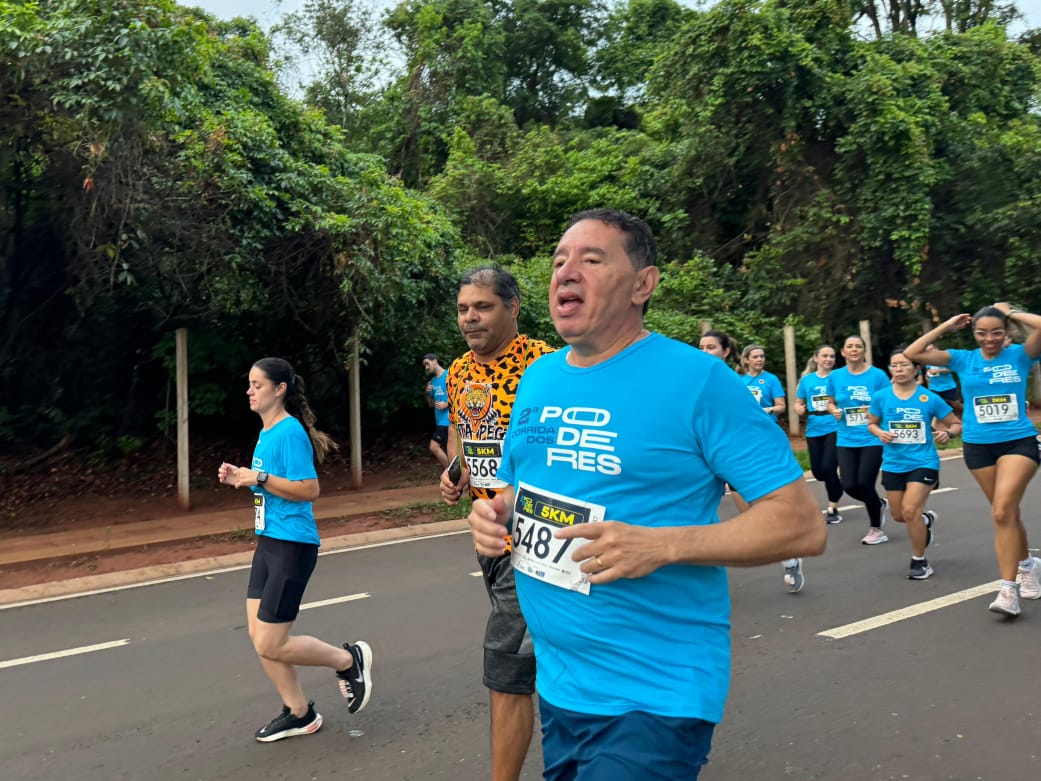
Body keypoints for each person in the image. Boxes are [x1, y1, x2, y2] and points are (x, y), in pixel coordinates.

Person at [467, 209, 824, 779]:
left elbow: (801, 523)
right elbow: (516, 488)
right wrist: (492, 514)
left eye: (591, 259)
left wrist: (663, 546)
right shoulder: (540, 377)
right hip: (562, 684)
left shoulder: (698, 381)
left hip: (654, 691)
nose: (566, 272)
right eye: (560, 260)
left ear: (643, 284)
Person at [439, 266, 555, 781]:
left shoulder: (546, 366)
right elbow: (467, 434)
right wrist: (456, 471)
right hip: (485, 531)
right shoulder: (458, 372)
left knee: (506, 660)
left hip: (535, 533)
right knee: (545, 649)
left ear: (512, 307)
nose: (470, 318)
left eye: (482, 307)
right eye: (464, 308)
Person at [218, 357, 373, 742]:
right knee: (260, 639)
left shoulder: (288, 432)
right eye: (249, 384)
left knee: (272, 641)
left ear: (279, 388)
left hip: (292, 546)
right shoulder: (267, 432)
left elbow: (309, 489)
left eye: (257, 384)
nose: (249, 391)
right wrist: (243, 478)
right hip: (268, 543)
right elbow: (270, 485)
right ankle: (300, 713)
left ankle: (347, 660)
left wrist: (261, 477)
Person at [905, 305, 1041, 616]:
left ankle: (1008, 591)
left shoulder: (1020, 355)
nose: (989, 339)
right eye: (982, 333)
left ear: (1006, 333)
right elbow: (914, 353)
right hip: (978, 446)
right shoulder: (963, 359)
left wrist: (1015, 312)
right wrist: (946, 325)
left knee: (1002, 510)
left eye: (996, 332)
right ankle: (1027, 564)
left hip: (1018, 441)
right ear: (973, 334)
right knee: (1004, 514)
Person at [701, 330, 806, 593]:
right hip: (706, 453)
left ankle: (789, 555)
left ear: (725, 352)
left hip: (739, 452)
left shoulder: (733, 382)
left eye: (711, 347)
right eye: (701, 347)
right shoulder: (697, 378)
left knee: (756, 516)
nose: (704, 352)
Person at [867, 347, 961, 580]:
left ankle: (919, 561)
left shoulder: (928, 397)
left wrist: (947, 434)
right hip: (893, 463)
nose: (898, 369)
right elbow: (871, 423)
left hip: (924, 461)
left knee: (910, 510)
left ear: (916, 368)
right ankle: (926, 520)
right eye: (894, 365)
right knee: (900, 515)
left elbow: (956, 423)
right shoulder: (881, 396)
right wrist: (879, 432)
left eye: (904, 364)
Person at [826, 335, 891, 545]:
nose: (854, 349)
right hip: (845, 438)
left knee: (864, 482)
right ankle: (878, 504)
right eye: (849, 346)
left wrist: (871, 409)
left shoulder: (877, 375)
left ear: (864, 351)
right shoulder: (835, 376)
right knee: (849, 485)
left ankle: (876, 529)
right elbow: (830, 401)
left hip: (871, 437)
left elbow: (887, 402)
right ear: (843, 352)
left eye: (858, 346)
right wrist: (834, 410)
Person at [794, 345, 845, 525]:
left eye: (832, 356)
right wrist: (798, 408)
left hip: (835, 426)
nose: (828, 359)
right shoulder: (807, 381)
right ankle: (838, 485)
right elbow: (798, 403)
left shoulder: (839, 378)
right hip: (814, 427)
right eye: (824, 356)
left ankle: (832, 507)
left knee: (829, 467)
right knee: (818, 471)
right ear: (816, 358)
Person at [739, 343, 786, 420]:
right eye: (755, 357)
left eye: (762, 356)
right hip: (746, 423)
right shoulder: (740, 379)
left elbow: (781, 407)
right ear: (746, 360)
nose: (759, 359)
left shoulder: (772, 379)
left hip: (766, 422)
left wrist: (767, 410)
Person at [423, 353, 450, 469]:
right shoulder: (432, 382)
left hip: (449, 419)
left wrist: (447, 403)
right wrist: (428, 394)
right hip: (440, 420)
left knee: (434, 447)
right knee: (453, 451)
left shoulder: (450, 376)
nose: (426, 368)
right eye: (424, 365)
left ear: (435, 361)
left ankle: (452, 474)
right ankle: (456, 475)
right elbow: (430, 404)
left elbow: (461, 395)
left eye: (427, 364)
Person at [924, 344, 963, 416]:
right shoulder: (928, 360)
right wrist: (928, 380)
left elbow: (951, 369)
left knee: (956, 405)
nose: (930, 352)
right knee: (935, 406)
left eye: (931, 349)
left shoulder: (944, 358)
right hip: (934, 387)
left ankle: (970, 412)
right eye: (927, 351)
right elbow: (928, 372)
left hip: (947, 386)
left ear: (936, 348)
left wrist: (939, 371)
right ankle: (933, 425)